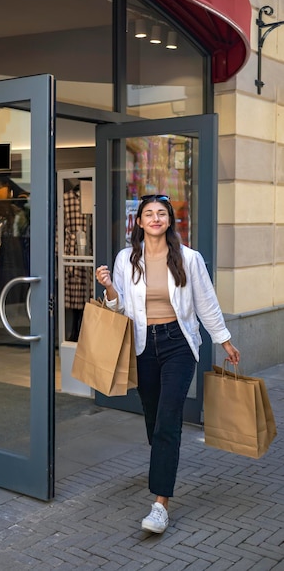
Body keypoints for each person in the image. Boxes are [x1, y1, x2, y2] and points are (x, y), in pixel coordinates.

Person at [96, 194, 239, 535]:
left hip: (178, 343)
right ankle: (163, 455)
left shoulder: (189, 259)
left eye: (162, 213)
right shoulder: (126, 259)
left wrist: (224, 340)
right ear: (140, 222)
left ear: (170, 220)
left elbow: (206, 303)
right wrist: (109, 289)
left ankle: (160, 505)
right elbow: (118, 311)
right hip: (143, 346)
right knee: (154, 418)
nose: (156, 218)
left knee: (168, 418)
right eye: (149, 214)